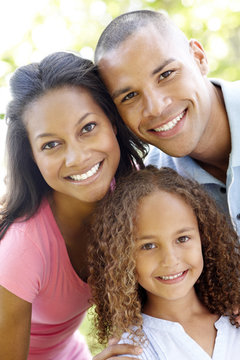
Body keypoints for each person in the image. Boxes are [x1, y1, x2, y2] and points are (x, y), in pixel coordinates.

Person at [0, 51, 147, 360]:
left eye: (88, 128)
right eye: (51, 145)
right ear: (32, 157)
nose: (77, 158)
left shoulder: (135, 191)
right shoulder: (20, 250)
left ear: (113, 123)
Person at [94, 9, 240, 235]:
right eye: (130, 96)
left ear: (199, 58)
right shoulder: (152, 190)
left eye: (166, 74)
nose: (156, 108)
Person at [88, 165, 240, 359]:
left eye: (182, 239)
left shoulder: (234, 317)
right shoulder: (133, 350)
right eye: (149, 246)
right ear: (123, 256)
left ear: (204, 237)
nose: (170, 260)